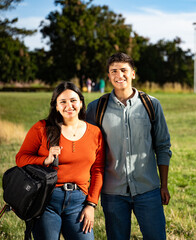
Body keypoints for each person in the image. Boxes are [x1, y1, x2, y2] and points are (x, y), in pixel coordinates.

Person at [86, 52, 172, 240]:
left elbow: (163, 147)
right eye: (113, 71)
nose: (119, 75)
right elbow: (86, 150)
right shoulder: (95, 109)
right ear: (108, 76)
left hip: (148, 190)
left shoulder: (151, 104)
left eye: (124, 70)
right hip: (113, 193)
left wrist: (163, 186)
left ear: (133, 73)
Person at [16, 82, 105, 240]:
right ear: (56, 106)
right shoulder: (42, 129)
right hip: (46, 200)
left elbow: (98, 170)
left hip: (79, 202)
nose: (69, 106)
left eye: (73, 100)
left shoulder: (95, 133)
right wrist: (45, 160)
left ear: (81, 103)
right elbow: (21, 159)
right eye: (62, 102)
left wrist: (91, 204)